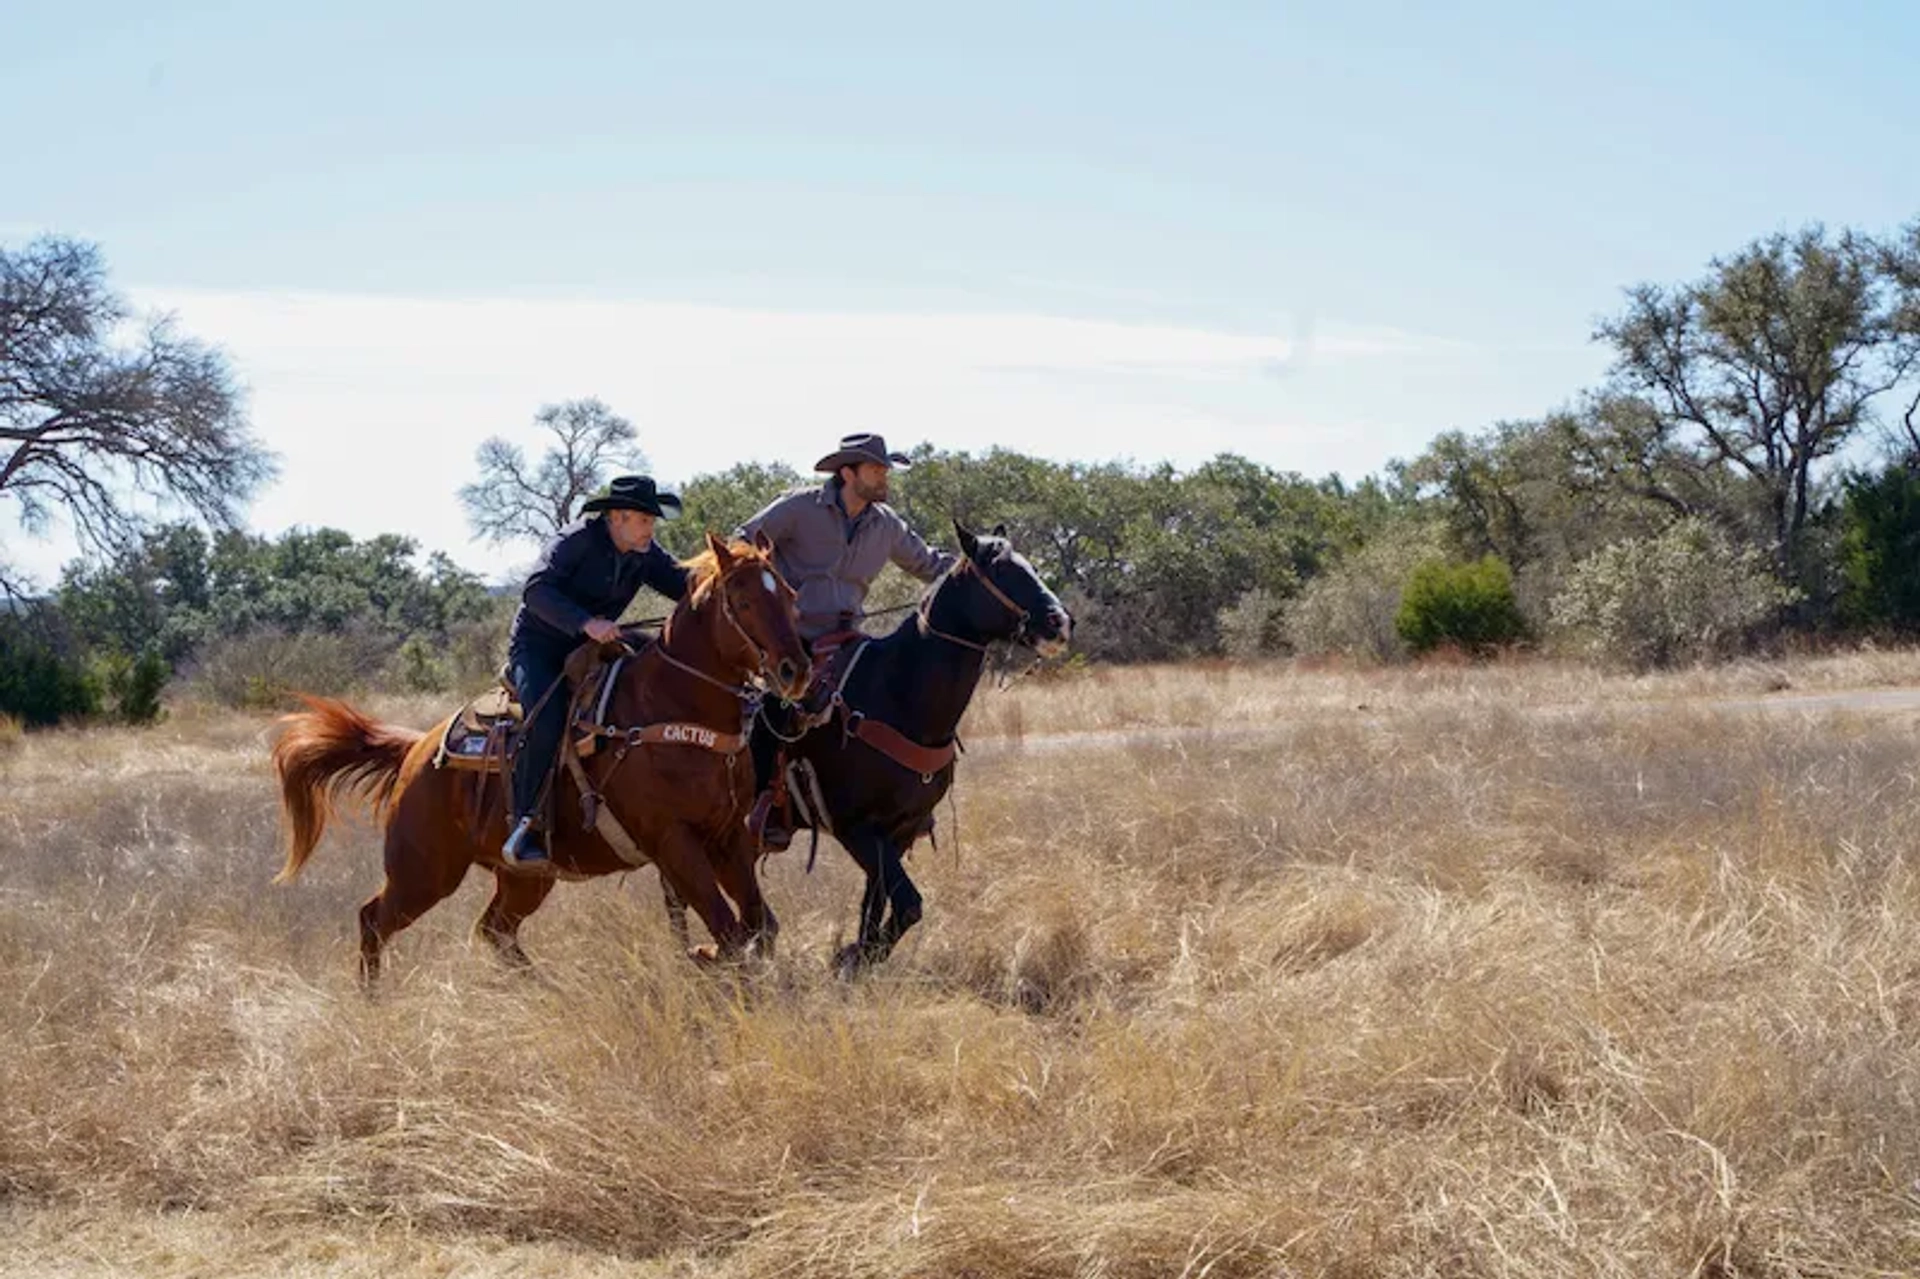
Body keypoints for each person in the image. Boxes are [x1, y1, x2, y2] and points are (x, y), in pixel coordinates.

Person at [733, 433, 955, 848]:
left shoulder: (886, 523)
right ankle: (767, 801)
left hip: (849, 638)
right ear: (848, 472)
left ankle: (904, 802)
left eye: (885, 469)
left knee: (899, 694)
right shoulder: (798, 508)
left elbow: (928, 563)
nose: (884, 476)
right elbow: (741, 542)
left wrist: (982, 567)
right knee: (778, 703)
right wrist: (773, 596)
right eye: (876, 468)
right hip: (789, 639)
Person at [502, 475, 690, 865]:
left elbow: (683, 583)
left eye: (652, 523)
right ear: (618, 517)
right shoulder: (575, 542)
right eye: (644, 521)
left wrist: (728, 581)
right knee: (547, 718)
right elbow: (536, 591)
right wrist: (586, 623)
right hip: (540, 648)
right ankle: (524, 825)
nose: (650, 531)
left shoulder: (644, 551)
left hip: (593, 649)